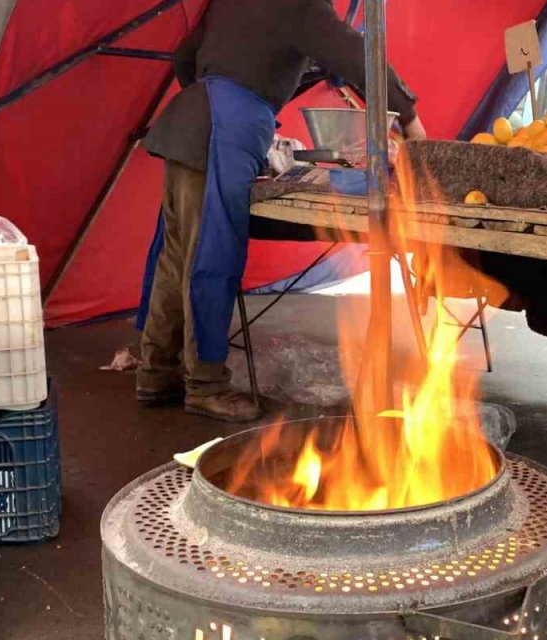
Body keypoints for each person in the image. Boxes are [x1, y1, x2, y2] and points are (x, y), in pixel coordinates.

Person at [138, 0, 427, 422]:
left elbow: (185, 58)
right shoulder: (301, 4)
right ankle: (205, 386)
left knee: (178, 257)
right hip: (222, 129)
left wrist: (214, 99)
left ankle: (157, 373)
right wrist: (411, 118)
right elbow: (359, 56)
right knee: (211, 258)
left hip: (189, 125)